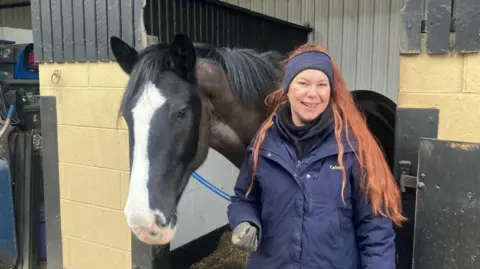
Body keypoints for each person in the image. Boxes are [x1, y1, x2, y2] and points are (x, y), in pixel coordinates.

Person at [226, 44, 406, 269]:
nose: (312, 94)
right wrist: (245, 220)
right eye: (303, 83)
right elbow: (243, 198)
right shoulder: (264, 142)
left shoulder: (352, 148)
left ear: (330, 92)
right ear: (288, 88)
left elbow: (375, 229)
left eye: (322, 85)